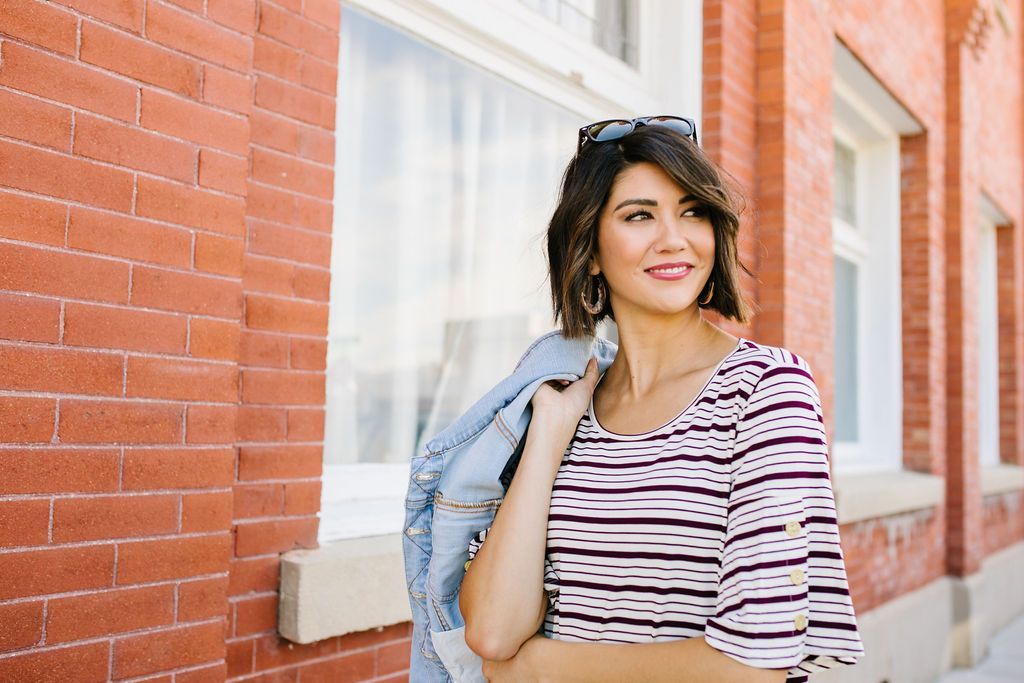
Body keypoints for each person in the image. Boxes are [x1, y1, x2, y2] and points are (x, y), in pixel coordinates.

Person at [458, 116, 865, 682]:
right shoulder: (562, 402)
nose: (674, 238)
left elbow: (751, 670)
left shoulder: (767, 392)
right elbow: (493, 631)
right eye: (639, 215)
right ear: (591, 250)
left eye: (693, 211)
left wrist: (539, 668)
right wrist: (550, 435)